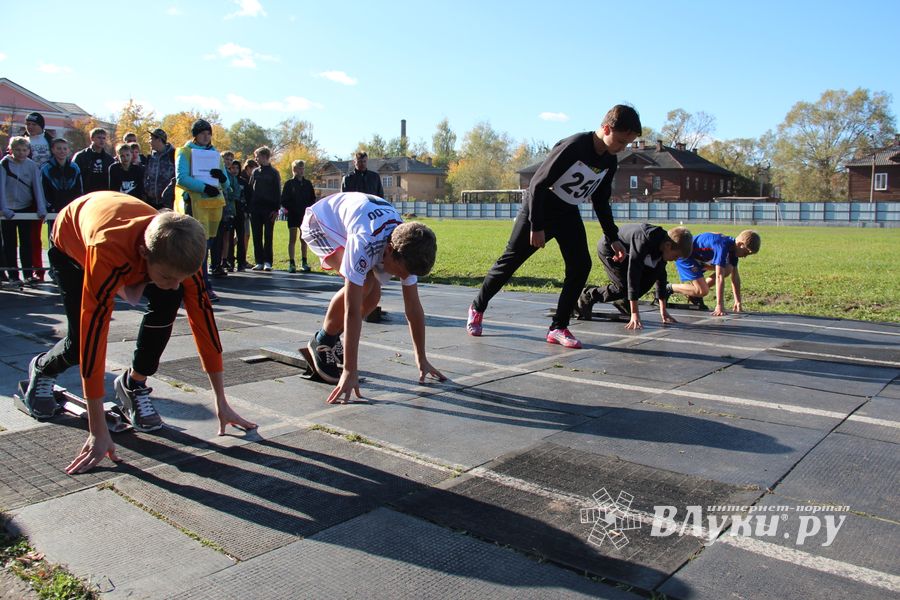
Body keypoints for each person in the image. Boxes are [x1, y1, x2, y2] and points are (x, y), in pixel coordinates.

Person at [21, 192, 257, 473]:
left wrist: (221, 401)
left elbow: (203, 320)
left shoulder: (179, 251)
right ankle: (43, 369)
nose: (174, 284)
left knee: (168, 302)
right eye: (168, 277)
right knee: (78, 345)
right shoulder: (107, 251)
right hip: (71, 243)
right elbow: (93, 336)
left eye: (180, 278)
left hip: (134, 239)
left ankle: (133, 383)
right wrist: (97, 430)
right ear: (145, 254)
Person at [465, 105, 641, 349]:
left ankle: (558, 326)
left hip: (567, 212)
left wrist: (613, 237)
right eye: (621, 141)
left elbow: (600, 201)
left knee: (581, 266)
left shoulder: (609, 161)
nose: (622, 149)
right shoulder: (575, 146)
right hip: (539, 208)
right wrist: (536, 226)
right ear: (606, 128)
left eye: (627, 145)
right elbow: (537, 184)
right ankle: (477, 307)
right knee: (510, 262)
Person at [301, 191, 446, 403]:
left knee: (374, 294)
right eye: (399, 272)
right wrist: (350, 370)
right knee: (367, 284)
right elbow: (352, 310)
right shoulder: (364, 243)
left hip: (357, 220)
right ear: (389, 251)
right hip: (320, 223)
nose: (400, 278)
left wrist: (421, 357)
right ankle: (323, 340)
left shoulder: (408, 244)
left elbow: (413, 308)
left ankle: (331, 338)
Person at [575, 224, 693, 330]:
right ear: (668, 246)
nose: (676, 260)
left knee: (650, 278)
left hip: (628, 252)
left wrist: (663, 311)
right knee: (623, 287)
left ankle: (623, 300)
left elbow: (661, 277)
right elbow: (633, 274)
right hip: (610, 248)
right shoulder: (644, 240)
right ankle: (587, 296)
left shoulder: (663, 245)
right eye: (677, 256)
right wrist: (634, 313)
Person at [174, 119, 227, 301]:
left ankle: (199, 283)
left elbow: (226, 183)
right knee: (197, 248)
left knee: (207, 247)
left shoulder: (215, 155)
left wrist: (221, 177)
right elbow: (181, 178)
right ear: (195, 135)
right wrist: (204, 187)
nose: (206, 136)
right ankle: (201, 285)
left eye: (209, 133)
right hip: (194, 206)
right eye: (203, 133)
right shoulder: (185, 152)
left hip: (213, 206)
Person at [667, 230, 761, 316]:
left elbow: (735, 277)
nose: (745, 257)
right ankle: (667, 288)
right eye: (746, 253)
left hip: (700, 258)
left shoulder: (733, 248)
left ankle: (694, 294)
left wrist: (738, 301)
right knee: (703, 291)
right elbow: (719, 276)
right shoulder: (722, 246)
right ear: (740, 244)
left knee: (729, 268)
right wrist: (719, 305)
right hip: (685, 256)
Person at [0, 137, 48, 285]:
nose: (21, 153)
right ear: (11, 149)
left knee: (26, 242)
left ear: (29, 151)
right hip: (8, 210)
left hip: (25, 208)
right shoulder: (4, 164)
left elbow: (37, 188)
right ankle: (13, 275)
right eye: (18, 150)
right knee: (9, 243)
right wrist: (4, 208)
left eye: (24, 150)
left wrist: (41, 207)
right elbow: (1, 187)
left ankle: (28, 273)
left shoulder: (32, 166)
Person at [25, 112, 54, 282]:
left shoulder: (50, 142)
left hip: (48, 191)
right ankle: (36, 270)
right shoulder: (22, 142)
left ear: (41, 126)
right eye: (27, 124)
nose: (30, 127)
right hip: (28, 191)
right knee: (32, 234)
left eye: (33, 124)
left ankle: (55, 269)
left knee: (53, 234)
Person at [248, 147, 280, 271]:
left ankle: (268, 261)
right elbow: (250, 189)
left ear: (265, 156)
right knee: (256, 235)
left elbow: (277, 191)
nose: (256, 159)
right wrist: (249, 207)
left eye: (258, 156)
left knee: (268, 235)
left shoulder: (274, 172)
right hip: (255, 209)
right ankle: (259, 261)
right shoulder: (255, 172)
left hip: (269, 209)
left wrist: (276, 209)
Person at [281, 159, 316, 273]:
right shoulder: (289, 183)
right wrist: (292, 208)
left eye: (303, 168)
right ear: (294, 169)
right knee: (292, 238)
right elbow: (284, 200)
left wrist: (309, 210)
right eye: (299, 168)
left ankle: (304, 262)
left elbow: (312, 198)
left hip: (304, 215)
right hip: (293, 215)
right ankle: (291, 263)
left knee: (304, 239)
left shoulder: (307, 183)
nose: (301, 170)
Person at [210, 151, 238, 277]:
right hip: (216, 206)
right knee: (215, 236)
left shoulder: (231, 175)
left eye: (231, 159)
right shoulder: (216, 171)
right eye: (226, 159)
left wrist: (231, 195)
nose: (228, 161)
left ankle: (223, 260)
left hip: (228, 209)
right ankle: (214, 263)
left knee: (225, 236)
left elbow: (235, 191)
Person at [41, 138, 83, 216]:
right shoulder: (45, 168)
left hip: (71, 208)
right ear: (53, 150)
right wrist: (49, 206)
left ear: (68, 150)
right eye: (59, 148)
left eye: (65, 148)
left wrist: (77, 204)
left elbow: (79, 188)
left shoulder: (74, 167)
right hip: (53, 209)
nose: (62, 151)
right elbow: (42, 190)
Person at [73, 128, 115, 193]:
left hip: (104, 195)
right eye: (99, 137)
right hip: (86, 194)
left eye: (104, 138)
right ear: (92, 138)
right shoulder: (80, 156)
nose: (102, 140)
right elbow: (74, 177)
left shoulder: (109, 159)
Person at [143, 128, 176, 210]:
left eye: (151, 139)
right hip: (151, 203)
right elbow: (146, 176)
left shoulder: (173, 155)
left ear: (159, 139)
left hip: (168, 204)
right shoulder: (150, 157)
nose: (149, 141)